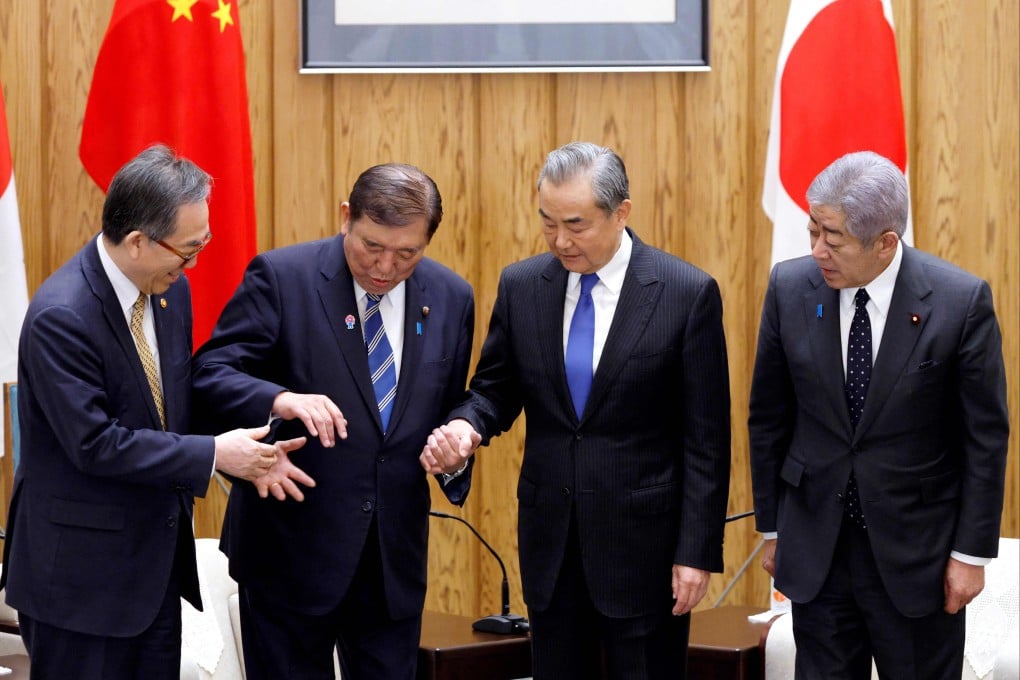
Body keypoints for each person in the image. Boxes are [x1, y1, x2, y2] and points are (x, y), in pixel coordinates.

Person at [420, 141, 732, 680]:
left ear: (622, 213)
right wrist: (467, 426)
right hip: (552, 548)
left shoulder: (685, 293)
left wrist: (696, 551)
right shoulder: (523, 286)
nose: (560, 240)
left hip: (646, 555)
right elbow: (495, 388)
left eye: (576, 224)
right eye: (547, 222)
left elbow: (706, 439)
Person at [0, 144, 302, 679]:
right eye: (188, 249)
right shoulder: (61, 316)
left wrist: (260, 425)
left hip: (154, 576)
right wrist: (214, 455)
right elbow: (96, 444)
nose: (195, 262)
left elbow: (173, 404)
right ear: (138, 241)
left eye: (203, 243)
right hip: (79, 586)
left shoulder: (168, 292)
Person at [191, 162, 476, 679]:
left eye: (406, 253)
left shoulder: (452, 297)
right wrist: (278, 398)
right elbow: (210, 373)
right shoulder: (283, 277)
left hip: (392, 565)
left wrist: (457, 441)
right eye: (371, 245)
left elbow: (450, 403)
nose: (385, 267)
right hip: (291, 553)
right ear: (347, 216)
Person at [748, 150, 1009, 679]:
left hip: (918, 559)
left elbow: (984, 439)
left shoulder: (960, 303)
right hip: (818, 552)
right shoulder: (789, 289)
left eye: (833, 237)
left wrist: (970, 556)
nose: (817, 249)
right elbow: (768, 419)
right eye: (812, 230)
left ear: (886, 242)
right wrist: (774, 529)